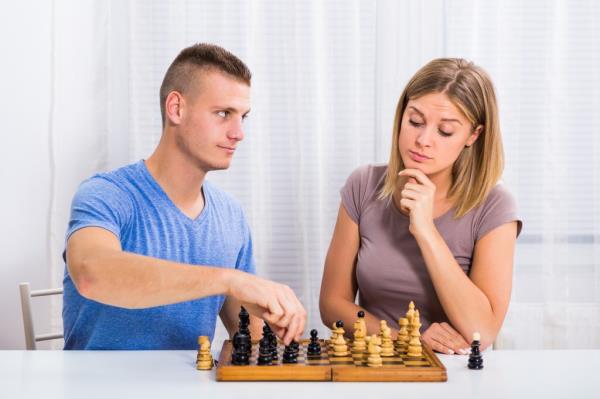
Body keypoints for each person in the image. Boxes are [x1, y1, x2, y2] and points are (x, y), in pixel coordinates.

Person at [63, 43, 306, 350]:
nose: (238, 133)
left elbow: (252, 336)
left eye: (242, 116)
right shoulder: (106, 194)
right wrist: (229, 279)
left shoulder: (230, 215)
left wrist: (279, 320)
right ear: (176, 108)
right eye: (223, 113)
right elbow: (91, 273)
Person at [319, 58, 522, 354]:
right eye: (415, 121)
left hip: (454, 374)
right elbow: (332, 305)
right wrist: (407, 340)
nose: (423, 140)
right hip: (377, 363)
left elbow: (483, 330)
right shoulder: (363, 185)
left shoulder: (495, 206)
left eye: (445, 131)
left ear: (473, 135)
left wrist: (426, 230)